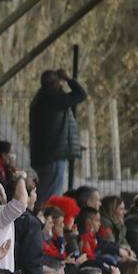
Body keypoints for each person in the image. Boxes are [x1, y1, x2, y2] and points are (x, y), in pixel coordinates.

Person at [27, 68, 86, 204]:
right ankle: (43, 221)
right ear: (55, 84)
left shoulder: (41, 98)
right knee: (50, 199)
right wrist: (68, 78)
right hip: (53, 157)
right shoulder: (53, 98)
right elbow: (81, 94)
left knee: (46, 193)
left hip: (44, 155)